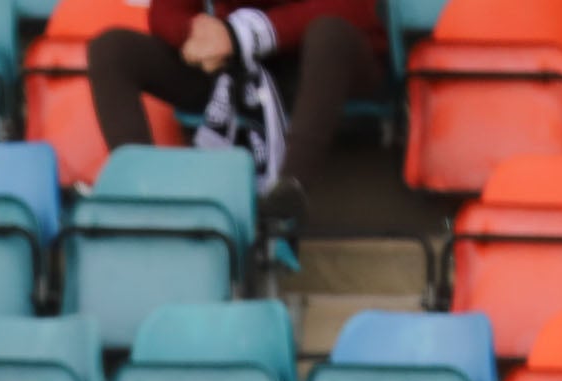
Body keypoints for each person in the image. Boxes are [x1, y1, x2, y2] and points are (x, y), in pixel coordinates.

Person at [88, 1, 385, 224]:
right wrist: (195, 34)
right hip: (233, 66)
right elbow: (165, 11)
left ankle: (289, 190)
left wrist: (242, 34)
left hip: (321, 64)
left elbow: (357, 8)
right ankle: (141, 197)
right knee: (112, 48)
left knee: (329, 32)